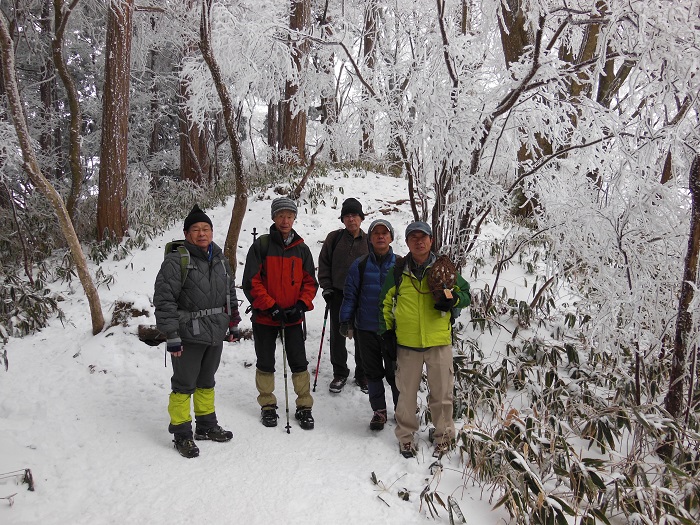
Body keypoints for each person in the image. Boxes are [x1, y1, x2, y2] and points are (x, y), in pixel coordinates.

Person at [154, 204, 241, 459]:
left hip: (215, 331)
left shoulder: (220, 259)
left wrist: (233, 322)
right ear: (186, 232)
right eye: (196, 229)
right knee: (183, 384)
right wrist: (171, 335)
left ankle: (206, 425)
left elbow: (230, 293)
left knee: (206, 381)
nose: (202, 233)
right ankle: (182, 434)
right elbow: (164, 300)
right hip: (187, 333)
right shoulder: (176, 260)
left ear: (212, 232)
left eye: (206, 228)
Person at [378, 221, 471, 458]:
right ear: (407, 242)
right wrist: (387, 334)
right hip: (407, 344)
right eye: (413, 237)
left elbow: (466, 293)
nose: (419, 241)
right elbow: (385, 304)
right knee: (406, 395)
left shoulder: (444, 269)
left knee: (442, 394)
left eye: (424, 237)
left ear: (431, 240)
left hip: (439, 343)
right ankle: (406, 437)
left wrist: (454, 301)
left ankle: (443, 437)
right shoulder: (398, 271)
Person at [242, 197, 318, 430]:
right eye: (281, 215)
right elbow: (251, 281)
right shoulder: (261, 246)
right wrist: (270, 306)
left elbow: (310, 282)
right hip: (266, 318)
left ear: (295, 218)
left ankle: (304, 406)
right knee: (265, 362)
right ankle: (267, 405)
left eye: (289, 216)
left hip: (293, 317)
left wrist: (301, 305)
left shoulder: (302, 249)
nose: (285, 220)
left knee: (299, 362)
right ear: (274, 217)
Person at [339, 219, 400, 431]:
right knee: (372, 372)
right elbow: (350, 295)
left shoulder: (401, 265)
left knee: (395, 374)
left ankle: (401, 410)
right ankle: (379, 411)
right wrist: (346, 320)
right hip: (366, 328)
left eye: (385, 233)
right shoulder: (361, 264)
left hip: (393, 331)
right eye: (376, 233)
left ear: (391, 237)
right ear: (370, 238)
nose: (381, 236)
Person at [318, 197, 369, 393]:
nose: (351, 219)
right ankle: (340, 373)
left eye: (354, 215)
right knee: (338, 335)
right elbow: (324, 263)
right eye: (347, 216)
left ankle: (362, 374)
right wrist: (327, 287)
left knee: (362, 335)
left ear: (361, 218)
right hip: (338, 293)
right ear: (342, 219)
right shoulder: (334, 238)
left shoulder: (368, 240)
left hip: (362, 296)